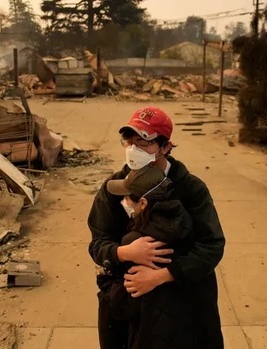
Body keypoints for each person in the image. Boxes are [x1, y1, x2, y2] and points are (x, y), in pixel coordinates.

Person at [88, 106, 226, 349]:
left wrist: (161, 276)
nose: (133, 149)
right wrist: (125, 253)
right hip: (129, 304)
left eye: (144, 142)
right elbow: (98, 242)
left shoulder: (191, 189)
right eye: (129, 141)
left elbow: (211, 246)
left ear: (165, 147)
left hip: (184, 305)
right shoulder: (113, 187)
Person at [104, 164, 193, 324]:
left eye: (127, 197)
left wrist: (105, 283)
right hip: (183, 316)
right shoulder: (183, 221)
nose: (124, 201)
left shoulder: (136, 242)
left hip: (151, 324)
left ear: (143, 203)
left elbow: (124, 301)